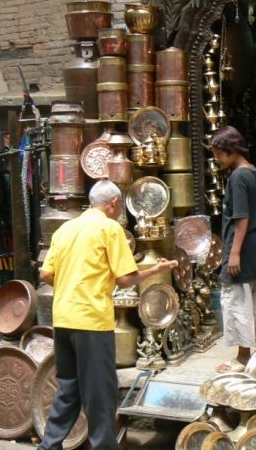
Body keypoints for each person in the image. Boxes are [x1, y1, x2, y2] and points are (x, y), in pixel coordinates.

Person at [38, 180, 178, 450]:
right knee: (100, 394)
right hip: (91, 321)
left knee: (68, 389)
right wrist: (155, 269)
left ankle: (49, 446)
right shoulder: (109, 228)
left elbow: (45, 274)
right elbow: (125, 279)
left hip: (63, 319)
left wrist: (70, 285)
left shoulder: (65, 229)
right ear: (114, 203)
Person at [210, 126, 256, 372]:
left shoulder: (237, 177)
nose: (216, 160)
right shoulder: (252, 171)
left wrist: (233, 253)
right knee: (255, 300)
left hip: (243, 247)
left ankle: (244, 357)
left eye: (218, 155)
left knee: (237, 302)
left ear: (231, 151)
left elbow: (241, 217)